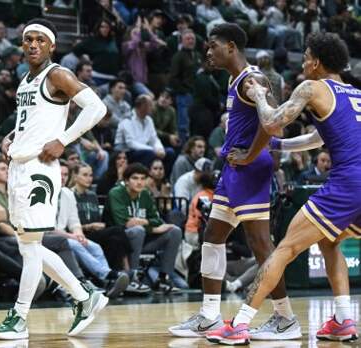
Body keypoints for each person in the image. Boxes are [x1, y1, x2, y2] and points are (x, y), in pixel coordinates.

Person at [213, 32, 360, 345]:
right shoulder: (355, 93)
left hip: (349, 182)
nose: (303, 63)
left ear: (317, 62)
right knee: (330, 243)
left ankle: (239, 324)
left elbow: (271, 123)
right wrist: (279, 146)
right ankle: (344, 320)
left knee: (285, 249)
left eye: (306, 57)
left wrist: (260, 96)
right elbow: (318, 139)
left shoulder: (312, 87)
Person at [169, 23, 300, 341]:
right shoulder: (234, 80)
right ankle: (210, 315)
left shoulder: (252, 79)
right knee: (212, 237)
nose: (208, 52)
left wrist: (249, 154)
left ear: (231, 46)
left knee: (260, 245)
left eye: (213, 46)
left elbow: (273, 125)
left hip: (249, 170)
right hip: (234, 172)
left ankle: (285, 317)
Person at [0, 19, 108, 340]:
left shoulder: (57, 74)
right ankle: (85, 297)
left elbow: (96, 108)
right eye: (28, 39)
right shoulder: (25, 80)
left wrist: (64, 141)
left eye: (40, 40)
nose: (32, 45)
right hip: (19, 166)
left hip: (40, 169)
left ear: (51, 46)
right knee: (30, 246)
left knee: (30, 247)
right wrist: (11, 137)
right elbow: (32, 121)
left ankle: (20, 317)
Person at [54, 161, 129, 299]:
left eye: (65, 174)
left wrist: (79, 234)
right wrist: (73, 236)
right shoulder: (44, 193)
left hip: (65, 235)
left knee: (94, 247)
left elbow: (74, 221)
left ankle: (107, 282)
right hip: (49, 237)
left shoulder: (67, 194)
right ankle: (107, 274)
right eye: (59, 174)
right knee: (75, 244)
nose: (62, 178)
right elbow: (48, 228)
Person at [106, 163, 180, 292]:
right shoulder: (116, 193)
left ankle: (163, 279)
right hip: (119, 241)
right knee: (137, 231)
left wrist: (144, 222)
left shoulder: (145, 194)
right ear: (126, 181)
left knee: (174, 231)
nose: (139, 182)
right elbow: (122, 223)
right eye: (135, 178)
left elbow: (156, 220)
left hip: (143, 240)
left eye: (142, 178)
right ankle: (132, 278)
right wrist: (152, 228)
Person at [114, 94, 166, 168]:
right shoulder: (127, 119)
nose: (153, 107)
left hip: (144, 149)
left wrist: (160, 149)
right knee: (149, 154)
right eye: (150, 105)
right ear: (142, 106)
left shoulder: (149, 120)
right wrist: (153, 150)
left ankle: (161, 178)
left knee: (169, 152)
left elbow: (154, 139)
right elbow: (131, 143)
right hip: (126, 152)